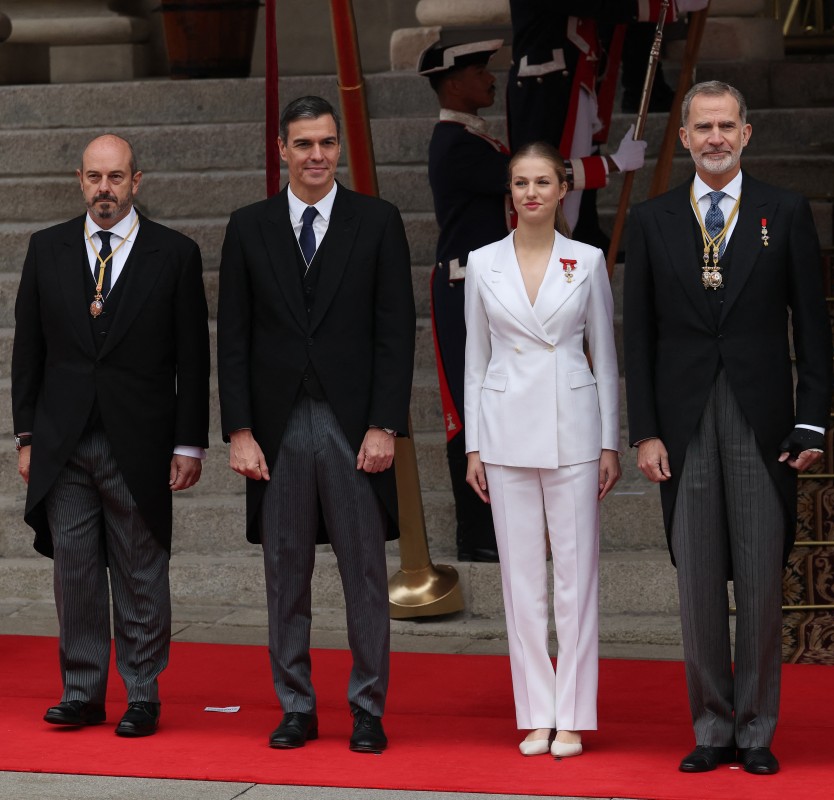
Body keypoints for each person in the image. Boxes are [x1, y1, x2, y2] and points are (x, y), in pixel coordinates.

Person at [623, 80, 832, 776]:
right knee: (698, 582)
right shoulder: (652, 222)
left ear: (748, 133)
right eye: (702, 127)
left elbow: (812, 325)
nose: (715, 137)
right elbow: (638, 337)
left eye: (726, 126)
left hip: (763, 420)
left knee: (763, 585)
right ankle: (712, 727)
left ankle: (757, 728)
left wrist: (810, 421)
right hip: (682, 425)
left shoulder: (785, 212)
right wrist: (644, 430)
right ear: (682, 138)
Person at [217, 95, 416, 753]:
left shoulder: (378, 221)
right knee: (285, 573)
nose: (316, 155)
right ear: (281, 148)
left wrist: (387, 424)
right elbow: (234, 339)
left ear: (340, 148)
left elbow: (395, 331)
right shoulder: (249, 227)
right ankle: (296, 706)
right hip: (275, 430)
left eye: (327, 143)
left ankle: (367, 708)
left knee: (364, 573)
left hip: (354, 424)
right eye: (303, 144)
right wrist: (238, 429)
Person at [11, 133, 210, 738]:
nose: (105, 189)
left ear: (137, 181)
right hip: (62, 441)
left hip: (141, 440)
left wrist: (188, 443)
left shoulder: (174, 253)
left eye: (116, 178)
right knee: (74, 573)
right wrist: (25, 435)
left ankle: (143, 694)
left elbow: (193, 359)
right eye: (95, 178)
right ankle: (82, 692)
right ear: (79, 180)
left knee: (140, 570)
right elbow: (28, 352)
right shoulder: (46, 250)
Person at [463, 141, 621, 758]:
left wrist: (609, 440)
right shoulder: (483, 263)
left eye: (543, 182)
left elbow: (604, 360)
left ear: (562, 190)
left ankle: (574, 713)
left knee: (576, 579)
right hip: (503, 431)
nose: (531, 193)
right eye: (521, 183)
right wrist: (474, 446)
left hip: (575, 428)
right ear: (511, 192)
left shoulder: (587, 260)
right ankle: (535, 710)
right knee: (520, 581)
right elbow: (476, 360)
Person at [506, 0, 707, 248]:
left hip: (574, 74)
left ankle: (581, 237)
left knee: (578, 167)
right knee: (548, 176)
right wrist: (666, 6)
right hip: (547, 84)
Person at [418, 38, 509, 562]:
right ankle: (476, 535)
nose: (491, 79)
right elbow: (524, 184)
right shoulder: (456, 143)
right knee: (471, 411)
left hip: (485, 284)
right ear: (454, 83)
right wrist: (603, 167)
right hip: (464, 289)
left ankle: (495, 526)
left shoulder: (474, 138)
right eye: (480, 72)